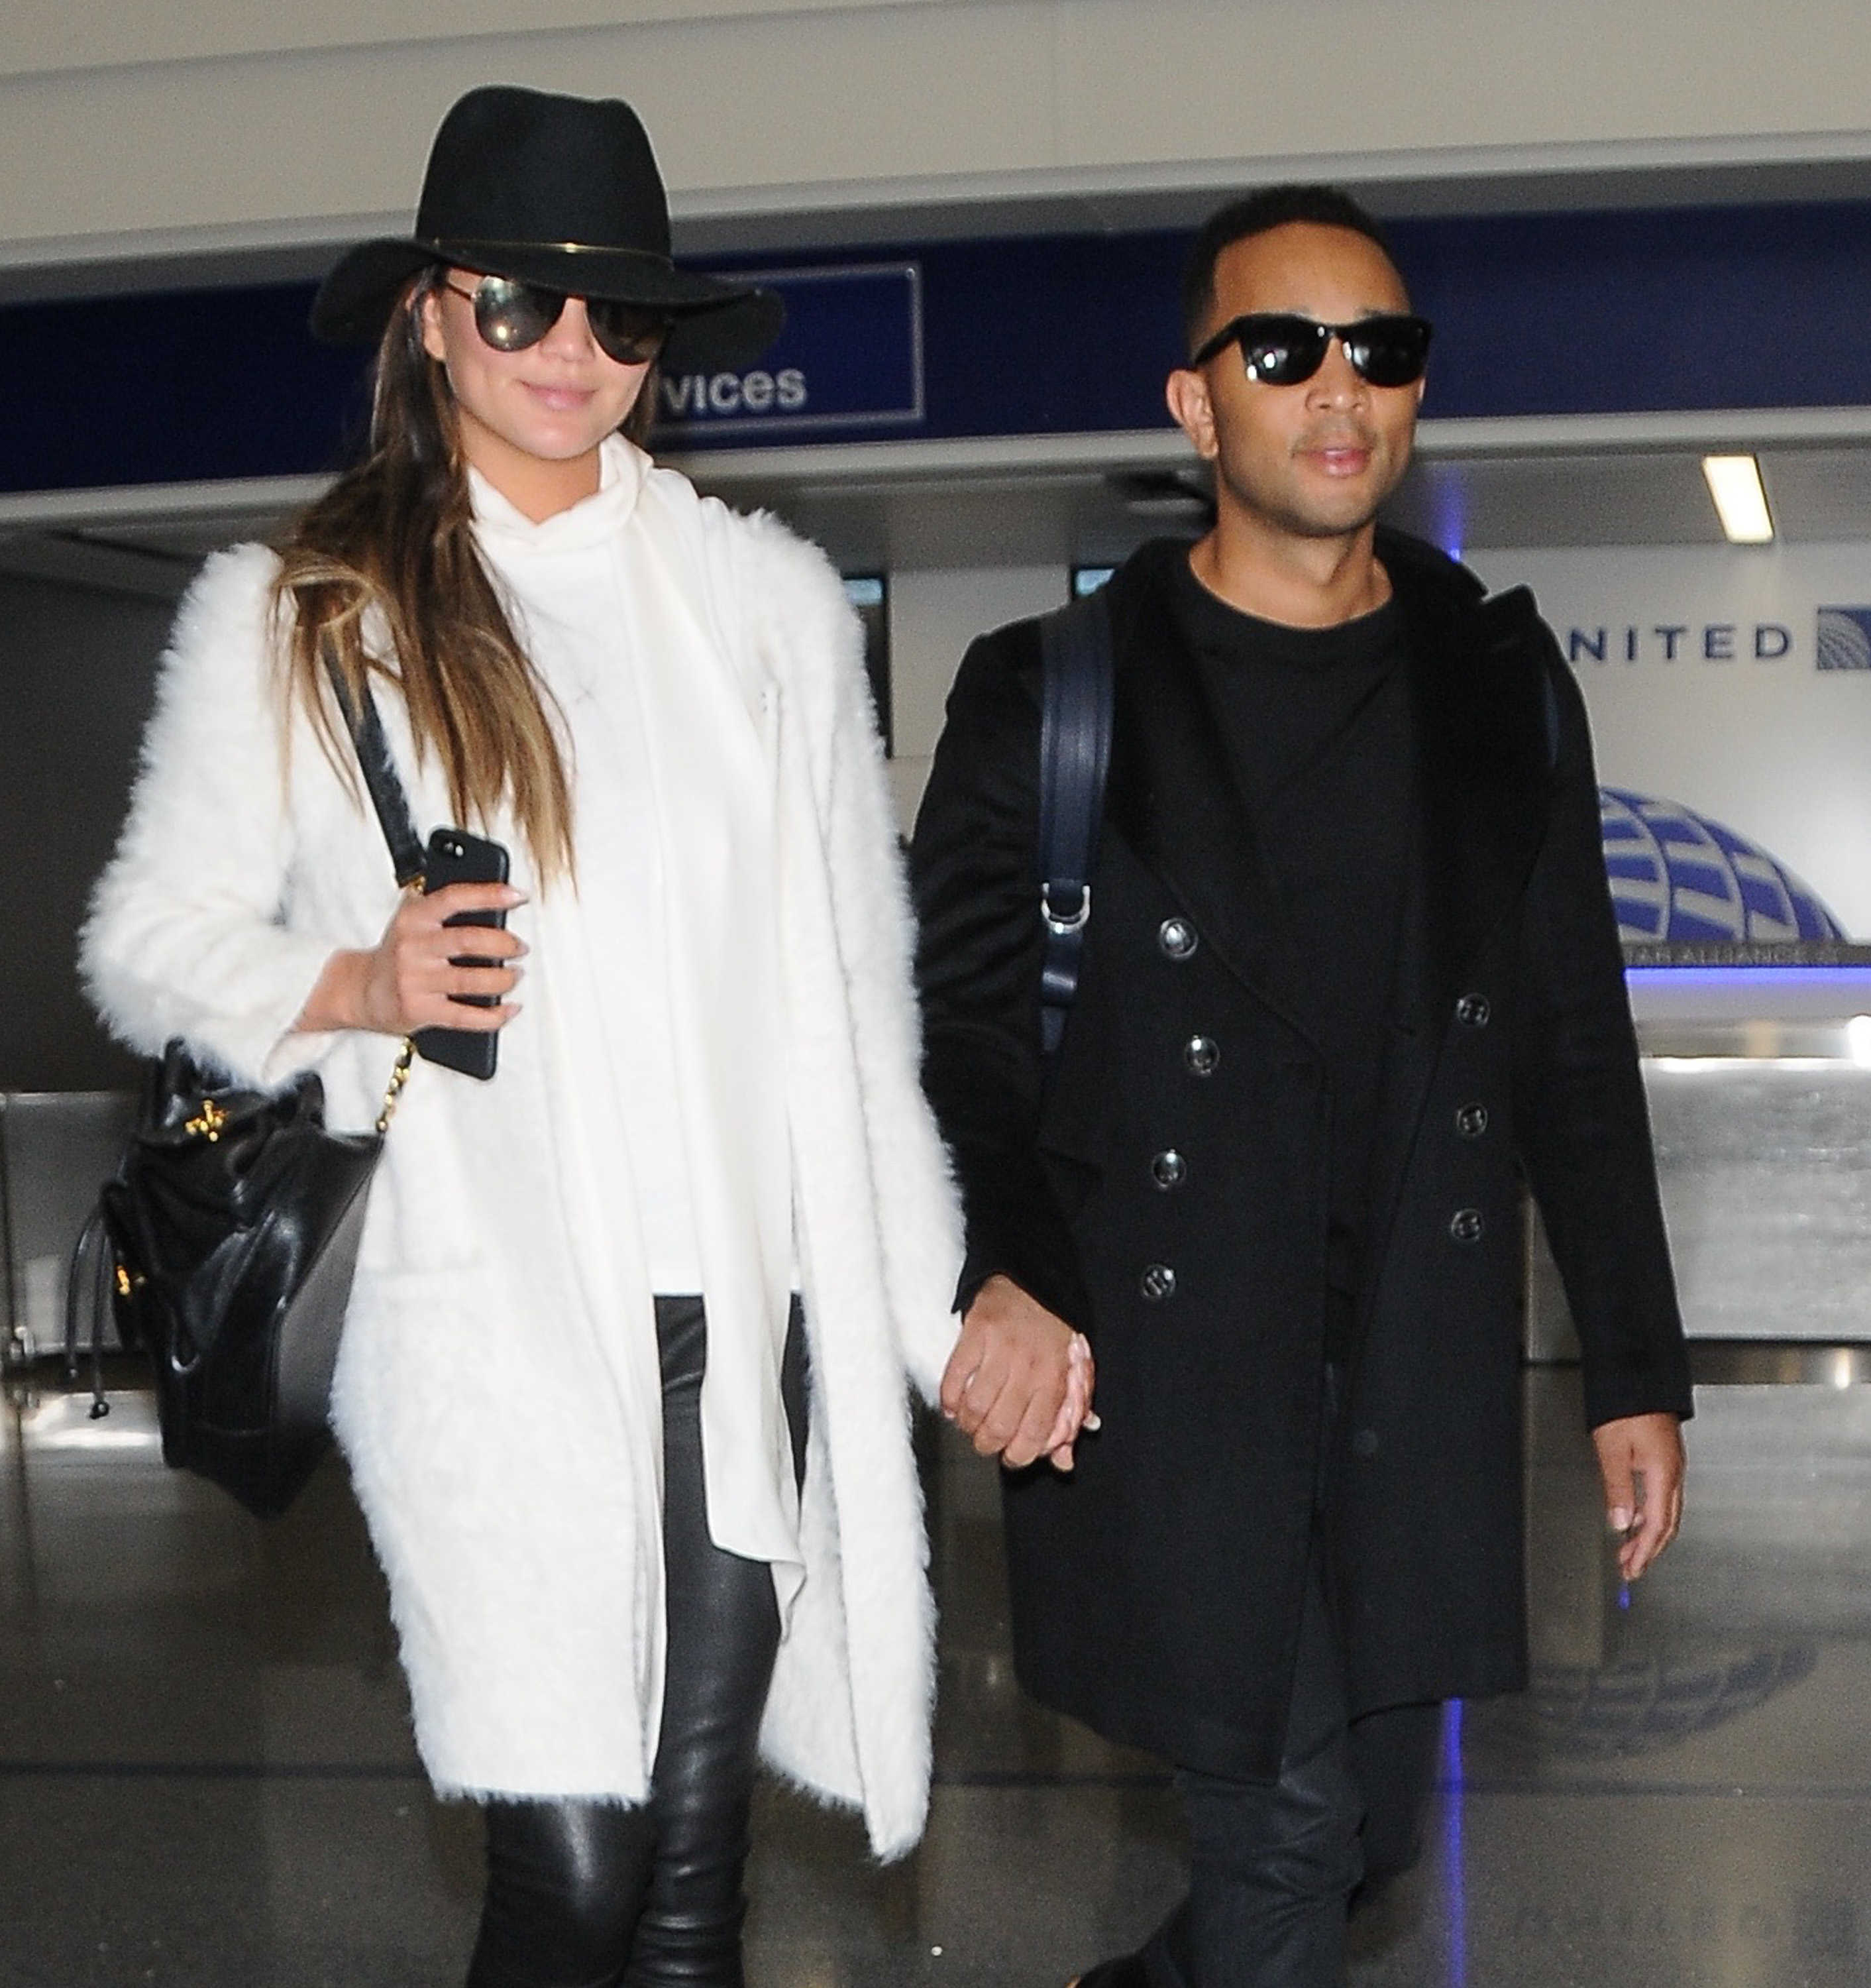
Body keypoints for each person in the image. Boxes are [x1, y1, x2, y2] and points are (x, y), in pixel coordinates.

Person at [83, 85, 1086, 1988]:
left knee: (693, 1883)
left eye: (621, 319)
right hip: (488, 1337)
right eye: (523, 304)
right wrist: (356, 982)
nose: (574, 353)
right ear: (431, 317)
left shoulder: (761, 611)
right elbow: (145, 938)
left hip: (739, 1338)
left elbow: (855, 1031)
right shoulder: (307, 615)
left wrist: (936, 1319)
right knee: (575, 1871)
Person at [908, 185, 1692, 1988]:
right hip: (1169, 1376)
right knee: (1286, 1835)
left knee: (1367, 1831)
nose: (1339, 389)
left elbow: (1571, 1031)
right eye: (1283, 350)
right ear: (1197, 404)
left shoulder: (1497, 681)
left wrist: (1634, 1373)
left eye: (1381, 352)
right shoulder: (1056, 692)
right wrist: (1001, 1270)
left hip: (1410, 1359)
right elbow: (959, 1034)